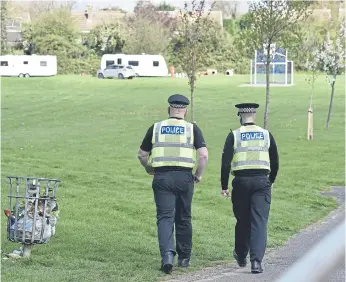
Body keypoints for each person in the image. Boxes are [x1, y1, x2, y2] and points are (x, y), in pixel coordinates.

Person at [137, 94, 208, 274]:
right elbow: (203, 155)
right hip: (185, 177)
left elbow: (141, 154)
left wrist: (148, 168)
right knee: (184, 217)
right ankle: (184, 258)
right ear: (185, 110)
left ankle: (167, 256)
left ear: (169, 109)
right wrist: (198, 175)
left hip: (162, 177)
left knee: (165, 217)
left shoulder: (156, 128)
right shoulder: (193, 129)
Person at [220, 103, 279, 274]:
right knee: (259, 222)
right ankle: (256, 262)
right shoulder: (266, 134)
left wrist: (224, 185)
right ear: (255, 115)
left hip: (241, 182)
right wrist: (271, 180)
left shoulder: (234, 135)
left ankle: (240, 254)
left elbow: (225, 163)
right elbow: (275, 161)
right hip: (262, 182)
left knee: (243, 220)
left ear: (240, 115)